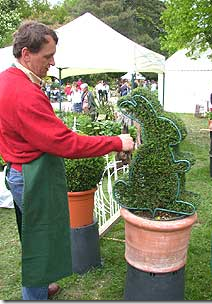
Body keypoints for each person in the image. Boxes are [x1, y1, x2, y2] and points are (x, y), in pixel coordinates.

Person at [0, 21, 134, 301]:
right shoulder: (23, 91)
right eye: (47, 56)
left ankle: (39, 284)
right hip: (31, 174)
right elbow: (65, 142)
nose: (52, 62)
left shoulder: (8, 79)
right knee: (41, 240)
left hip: (19, 169)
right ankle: (34, 294)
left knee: (33, 235)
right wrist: (116, 141)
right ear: (26, 54)